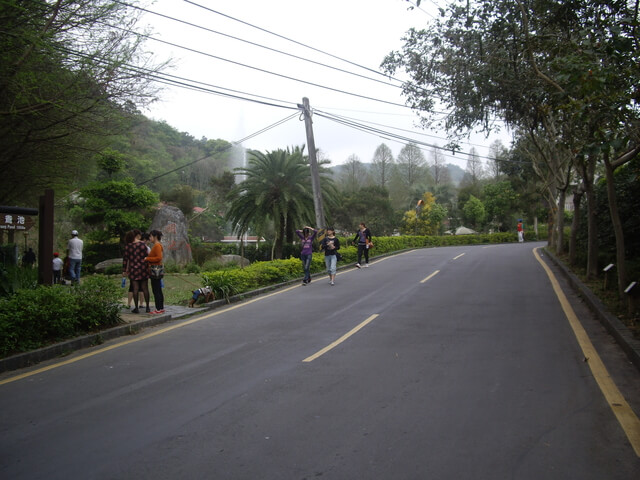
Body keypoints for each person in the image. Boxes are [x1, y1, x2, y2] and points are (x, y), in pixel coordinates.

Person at [122, 229, 150, 314]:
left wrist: (124, 270)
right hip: (143, 268)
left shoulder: (128, 246)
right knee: (145, 288)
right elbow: (147, 256)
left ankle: (136, 308)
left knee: (135, 288)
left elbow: (125, 260)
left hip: (133, 269)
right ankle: (148, 307)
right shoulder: (142, 244)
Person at [145, 229, 165, 314]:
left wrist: (147, 258)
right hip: (156, 270)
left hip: (155, 270)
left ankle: (158, 308)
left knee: (156, 290)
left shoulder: (157, 246)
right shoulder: (157, 245)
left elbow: (158, 258)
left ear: (155, 236)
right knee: (158, 289)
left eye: (150, 236)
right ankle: (161, 308)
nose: (149, 238)